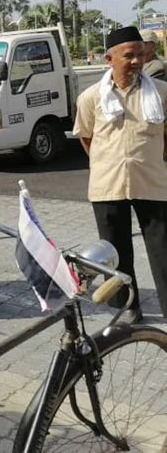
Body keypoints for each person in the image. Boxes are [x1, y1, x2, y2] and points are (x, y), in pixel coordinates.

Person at [73, 26, 167, 323]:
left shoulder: (162, 93)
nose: (137, 61)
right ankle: (125, 309)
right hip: (107, 184)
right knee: (114, 253)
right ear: (109, 58)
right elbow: (86, 136)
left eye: (140, 54)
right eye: (129, 56)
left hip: (153, 182)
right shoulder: (91, 97)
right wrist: (107, 161)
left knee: (163, 250)